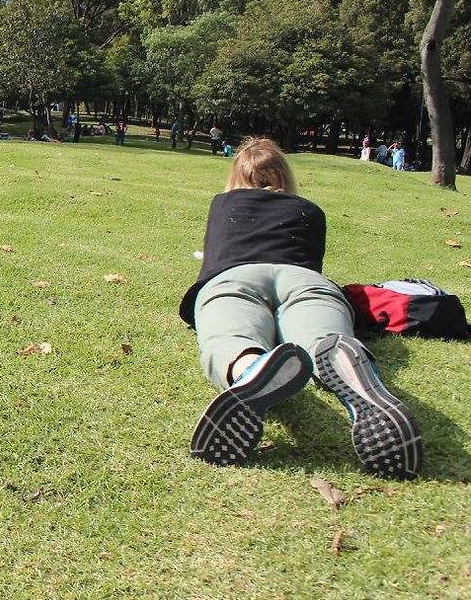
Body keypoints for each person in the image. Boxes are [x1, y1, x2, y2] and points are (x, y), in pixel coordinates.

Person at [181, 138, 422, 478]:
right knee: (319, 332)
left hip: (235, 277)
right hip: (304, 279)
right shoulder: (310, 211)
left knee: (230, 334)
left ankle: (250, 367)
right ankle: (338, 357)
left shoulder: (222, 205)